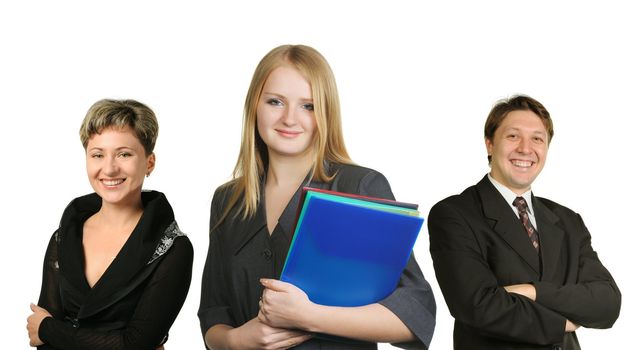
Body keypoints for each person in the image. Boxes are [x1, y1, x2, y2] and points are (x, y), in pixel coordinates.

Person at [198, 44, 436, 349]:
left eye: (307, 106)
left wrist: (310, 316)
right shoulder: (228, 200)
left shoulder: (359, 186)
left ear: (326, 112)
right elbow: (213, 313)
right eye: (275, 102)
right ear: (254, 106)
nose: (289, 119)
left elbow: (415, 312)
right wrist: (235, 340)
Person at [427, 95, 621, 350]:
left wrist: (533, 291)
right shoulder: (454, 214)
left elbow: (607, 302)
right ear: (489, 144)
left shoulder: (568, 221)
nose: (525, 149)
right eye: (513, 136)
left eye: (537, 139)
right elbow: (478, 305)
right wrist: (562, 322)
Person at [27, 99, 194, 349]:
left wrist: (48, 328)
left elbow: (133, 344)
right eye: (97, 155)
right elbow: (40, 343)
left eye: (124, 154)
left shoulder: (173, 248)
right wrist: (48, 332)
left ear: (149, 162)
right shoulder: (64, 236)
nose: (109, 168)